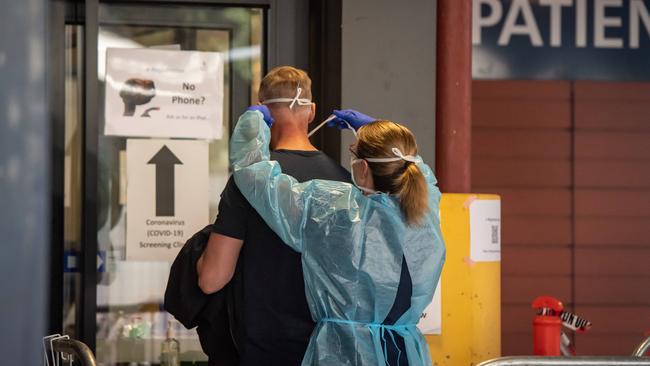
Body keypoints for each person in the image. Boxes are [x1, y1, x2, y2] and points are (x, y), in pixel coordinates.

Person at [228, 106, 446, 365]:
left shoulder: (333, 210)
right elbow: (416, 168)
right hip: (405, 354)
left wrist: (253, 125)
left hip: (345, 352)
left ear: (363, 167)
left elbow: (258, 180)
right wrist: (378, 131)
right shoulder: (425, 210)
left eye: (354, 154)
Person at [196, 66, 350, 366]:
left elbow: (211, 279)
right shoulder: (345, 181)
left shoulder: (249, 182)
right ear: (312, 111)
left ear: (260, 114)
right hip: (328, 350)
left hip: (262, 349)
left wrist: (197, 253)